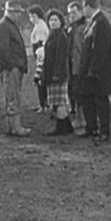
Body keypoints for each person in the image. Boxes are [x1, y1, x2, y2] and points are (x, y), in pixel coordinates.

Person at [78, 0, 111, 142]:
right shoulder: (94, 21)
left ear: (89, 6)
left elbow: (100, 49)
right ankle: (91, 128)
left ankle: (104, 131)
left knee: (101, 101)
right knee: (87, 98)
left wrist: (94, 70)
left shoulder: (101, 22)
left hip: (99, 72)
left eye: (84, 7)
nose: (83, 10)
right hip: (90, 70)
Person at [0, 0, 32, 137]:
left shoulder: (7, 25)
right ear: (11, 12)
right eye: (17, 13)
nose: (19, 16)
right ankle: (16, 128)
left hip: (12, 67)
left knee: (12, 97)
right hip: (11, 68)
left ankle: (12, 127)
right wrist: (11, 66)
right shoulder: (4, 26)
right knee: (13, 98)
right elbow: (3, 49)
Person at [42, 8, 73, 136]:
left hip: (58, 74)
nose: (53, 22)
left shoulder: (61, 36)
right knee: (60, 100)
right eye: (50, 20)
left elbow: (61, 57)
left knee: (59, 101)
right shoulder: (53, 34)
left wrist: (56, 74)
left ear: (61, 21)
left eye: (55, 20)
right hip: (52, 73)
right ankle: (67, 125)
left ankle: (60, 127)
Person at [66, 1, 89, 134]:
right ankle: (79, 118)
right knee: (75, 92)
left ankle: (83, 119)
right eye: (70, 13)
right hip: (72, 66)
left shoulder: (85, 26)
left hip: (81, 65)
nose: (72, 16)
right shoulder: (72, 27)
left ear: (81, 11)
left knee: (82, 94)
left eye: (74, 12)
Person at [27, 5, 50, 113]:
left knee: (41, 80)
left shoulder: (40, 26)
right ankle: (43, 103)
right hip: (40, 54)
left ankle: (43, 105)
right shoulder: (38, 25)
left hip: (41, 56)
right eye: (30, 16)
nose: (32, 18)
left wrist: (38, 59)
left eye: (34, 16)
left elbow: (41, 44)